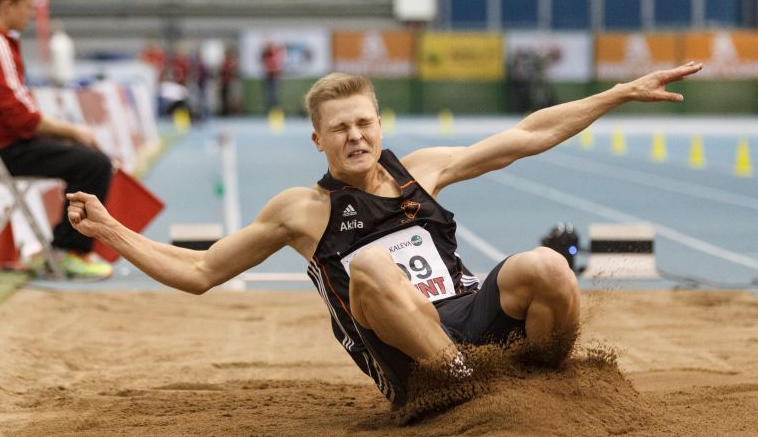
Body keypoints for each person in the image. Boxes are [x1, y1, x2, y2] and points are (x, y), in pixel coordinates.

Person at [66, 62, 703, 410]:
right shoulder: (301, 211)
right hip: (411, 359)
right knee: (369, 267)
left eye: (364, 123)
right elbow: (200, 273)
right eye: (339, 128)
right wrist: (111, 229)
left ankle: (541, 388)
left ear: (379, 123)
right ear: (318, 139)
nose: (356, 137)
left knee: (547, 266)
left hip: (469, 316)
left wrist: (618, 93)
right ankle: (468, 391)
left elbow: (528, 135)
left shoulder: (420, 170)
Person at [0, 0, 113, 278]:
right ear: (7, 6)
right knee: (94, 163)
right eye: (28, 6)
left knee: (82, 157)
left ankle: (65, 247)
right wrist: (74, 131)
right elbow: (21, 116)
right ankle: (69, 250)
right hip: (5, 151)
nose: (31, 14)